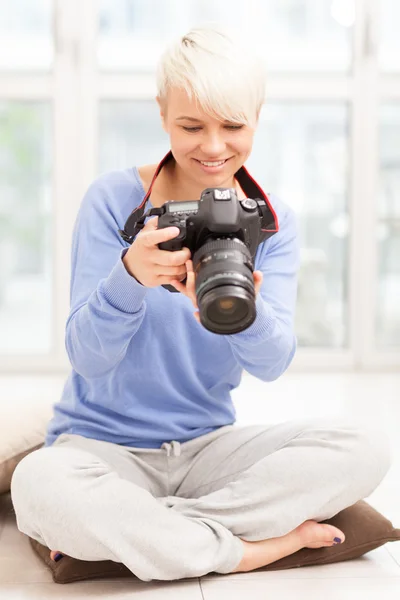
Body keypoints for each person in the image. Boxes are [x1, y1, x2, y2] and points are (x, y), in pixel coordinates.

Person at [11, 25, 391, 582]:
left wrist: (247, 315)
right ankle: (253, 548)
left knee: (365, 447)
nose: (213, 147)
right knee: (38, 483)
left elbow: (271, 363)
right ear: (163, 113)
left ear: (258, 116)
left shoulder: (269, 220)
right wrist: (128, 279)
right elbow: (87, 359)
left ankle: (150, 535)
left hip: (209, 450)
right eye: (191, 125)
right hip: (101, 449)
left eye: (233, 125)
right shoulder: (112, 201)